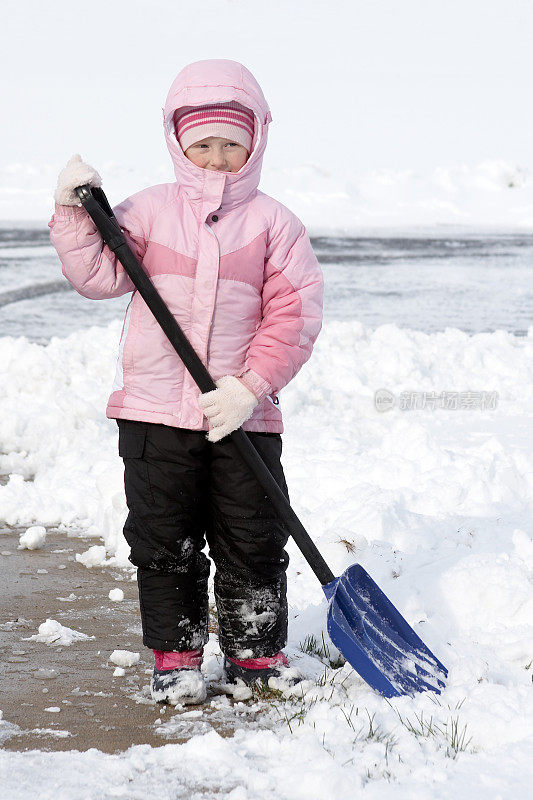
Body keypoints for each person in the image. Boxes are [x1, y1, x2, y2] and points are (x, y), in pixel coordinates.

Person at [48, 59, 324, 705]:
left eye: (232, 142)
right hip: (153, 415)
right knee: (163, 540)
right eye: (204, 143)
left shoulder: (273, 224)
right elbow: (97, 278)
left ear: (255, 142)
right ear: (179, 142)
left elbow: (296, 310)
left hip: (242, 417)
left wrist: (250, 385)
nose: (218, 156)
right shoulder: (146, 211)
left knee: (253, 535)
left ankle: (255, 653)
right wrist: (72, 215)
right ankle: (175, 658)